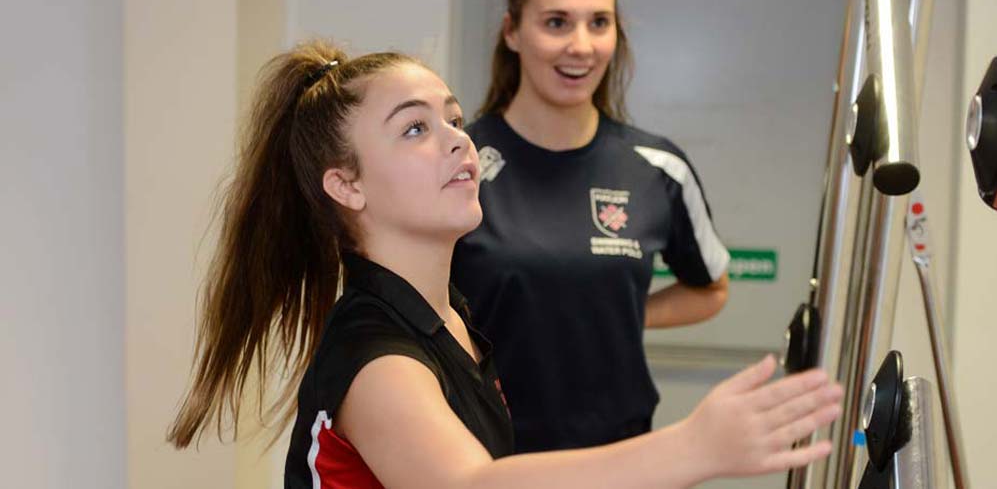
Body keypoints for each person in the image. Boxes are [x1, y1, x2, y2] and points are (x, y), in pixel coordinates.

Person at [167, 40, 842, 488]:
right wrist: (694, 446)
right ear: (348, 185)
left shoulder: (453, 315)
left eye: (453, 119)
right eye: (414, 128)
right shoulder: (374, 352)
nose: (456, 140)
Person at [452, 0, 732, 452]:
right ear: (512, 32)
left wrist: (610, 307)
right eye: (556, 22)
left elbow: (710, 289)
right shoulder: (459, 163)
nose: (581, 45)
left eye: (598, 23)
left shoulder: (658, 168)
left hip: (618, 457)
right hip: (487, 459)